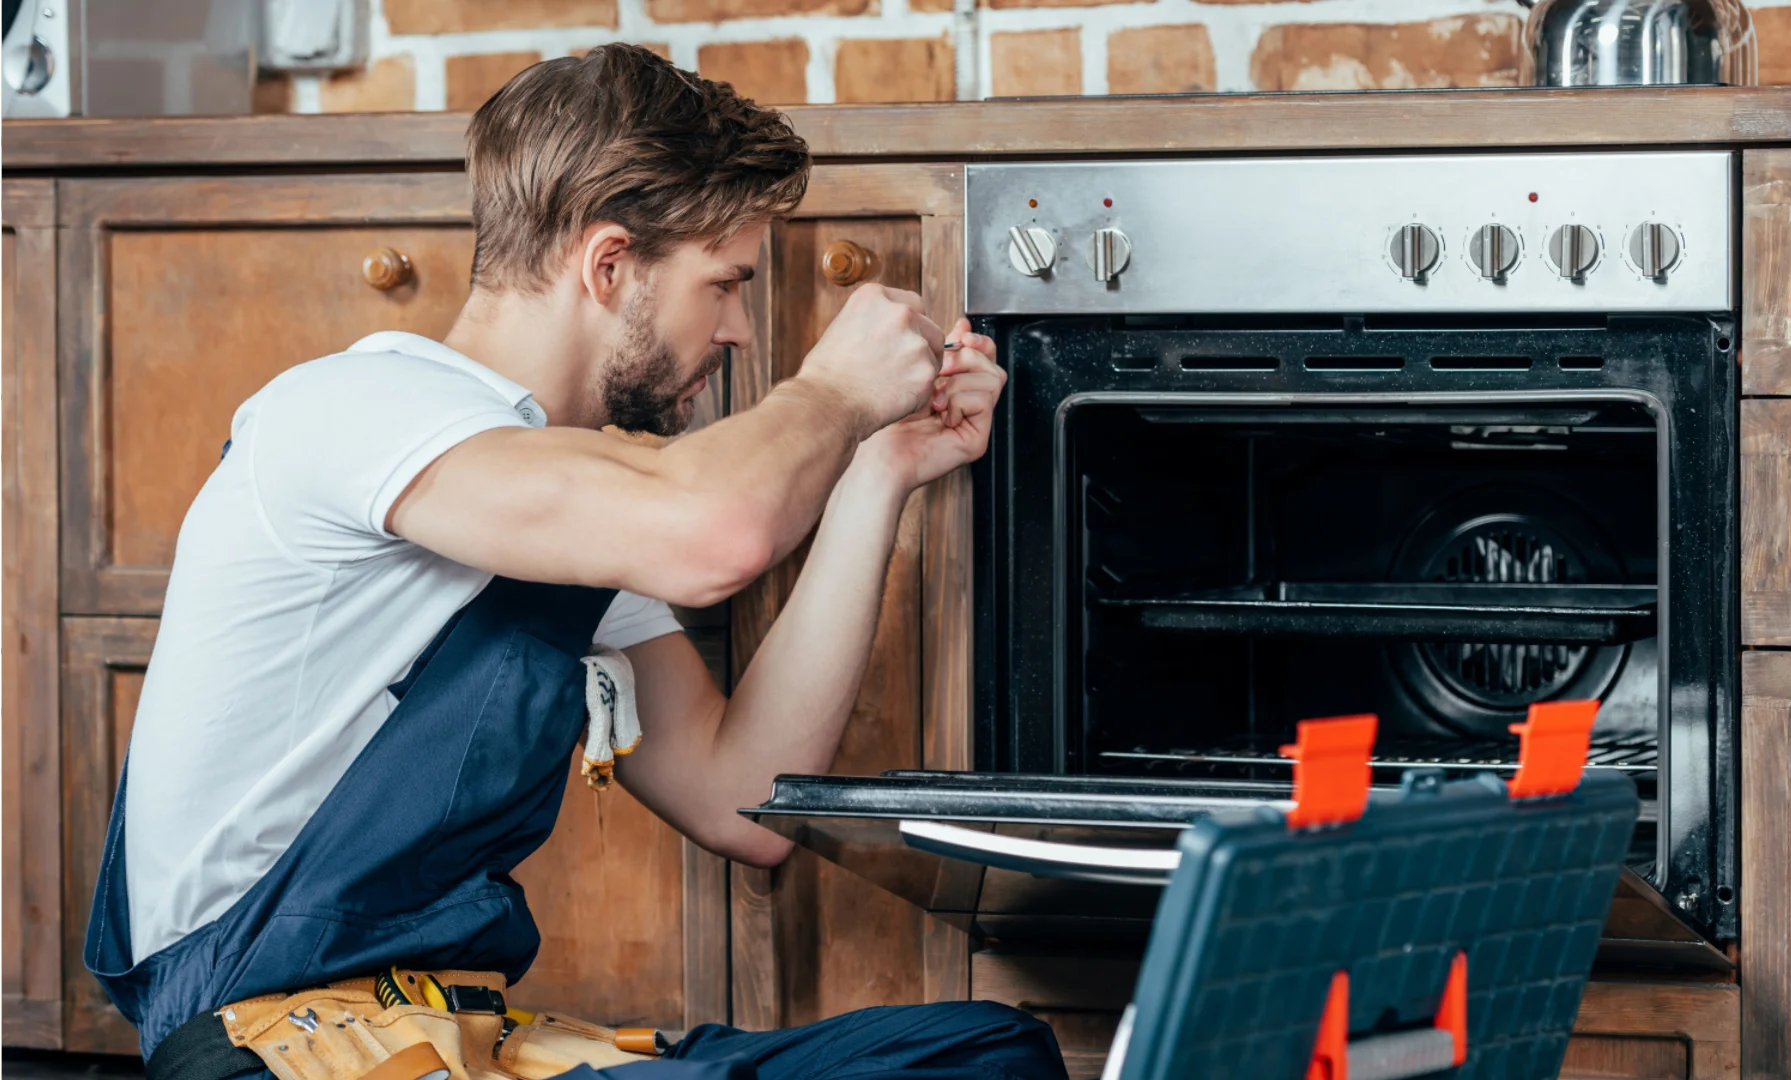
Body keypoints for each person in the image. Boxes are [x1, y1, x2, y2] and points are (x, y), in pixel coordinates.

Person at [83, 43, 1066, 1080]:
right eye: (725, 283)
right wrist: (834, 393)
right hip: (274, 1047)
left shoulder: (574, 506)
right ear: (609, 266)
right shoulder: (354, 411)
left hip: (452, 1038)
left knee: (983, 1052)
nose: (738, 329)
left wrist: (878, 469)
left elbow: (746, 798)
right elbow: (716, 534)